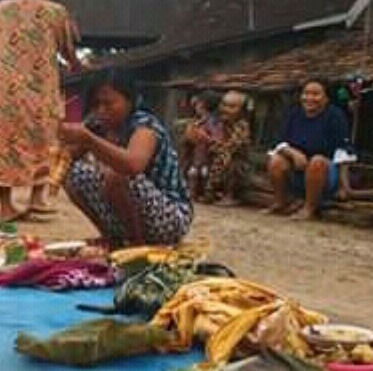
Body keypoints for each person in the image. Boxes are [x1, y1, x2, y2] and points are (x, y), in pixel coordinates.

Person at [0, 0, 80, 222]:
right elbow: (68, 50)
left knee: (4, 142)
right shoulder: (55, 11)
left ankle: (6, 205)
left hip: (4, 89)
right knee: (43, 139)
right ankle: (36, 197)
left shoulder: (2, 9)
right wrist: (78, 66)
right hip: (39, 88)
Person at [58, 69, 193, 247]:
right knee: (73, 174)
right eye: (96, 104)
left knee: (116, 175)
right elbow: (69, 157)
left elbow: (132, 165)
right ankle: (112, 238)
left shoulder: (145, 125)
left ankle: (137, 244)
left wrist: (89, 139)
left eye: (109, 103)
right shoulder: (98, 124)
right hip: (139, 216)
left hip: (170, 218)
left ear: (129, 100)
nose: (101, 110)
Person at [266, 78, 352, 219]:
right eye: (306, 93)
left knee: (317, 161)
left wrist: (344, 186)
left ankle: (309, 208)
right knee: (276, 161)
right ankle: (280, 202)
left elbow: (343, 151)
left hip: (324, 174)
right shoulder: (294, 114)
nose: (309, 98)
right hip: (297, 170)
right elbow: (279, 142)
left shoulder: (335, 116)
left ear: (326, 98)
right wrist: (293, 153)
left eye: (315, 94)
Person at [205, 90, 252, 204]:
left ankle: (228, 195)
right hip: (221, 157)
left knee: (229, 163)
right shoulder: (221, 123)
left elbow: (231, 147)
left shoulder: (242, 126)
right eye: (224, 104)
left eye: (231, 107)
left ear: (241, 111)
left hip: (237, 163)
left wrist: (216, 147)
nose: (225, 109)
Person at [181, 91, 221, 200]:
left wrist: (204, 137)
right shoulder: (197, 121)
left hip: (206, 155)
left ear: (203, 105)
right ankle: (192, 194)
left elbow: (216, 139)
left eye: (197, 104)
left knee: (202, 173)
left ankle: (204, 194)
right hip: (195, 154)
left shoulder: (212, 122)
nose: (195, 107)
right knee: (193, 172)